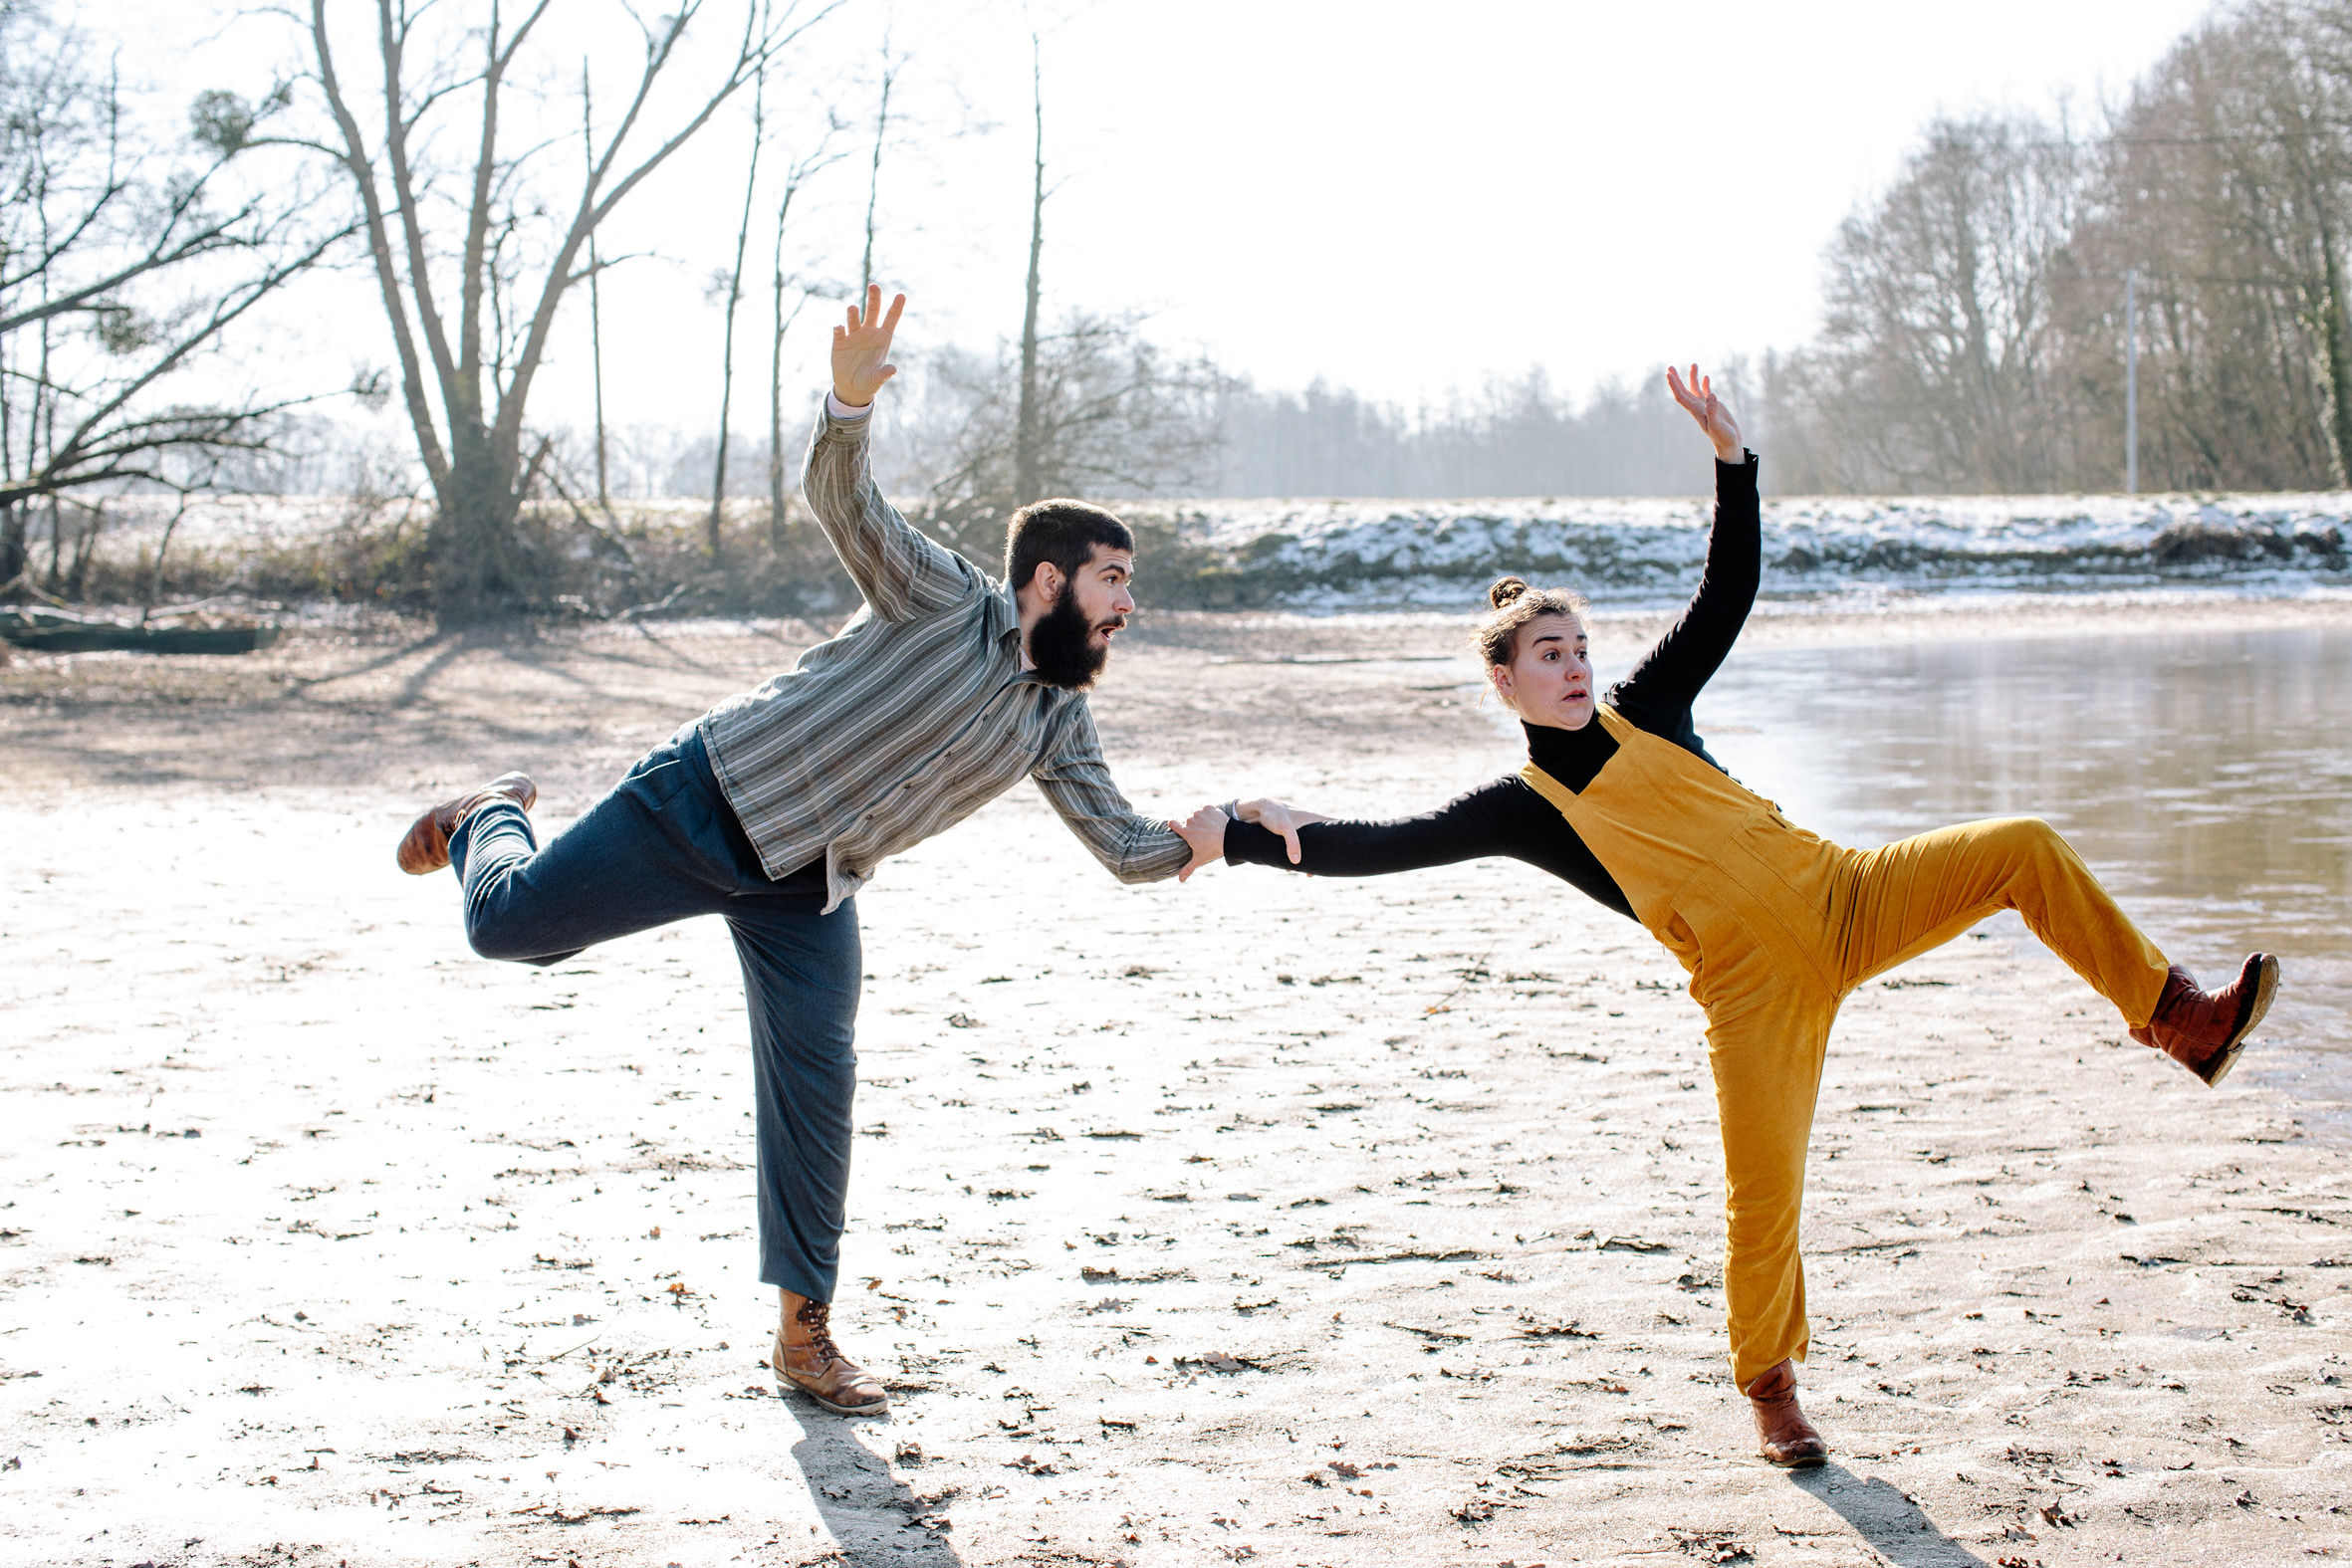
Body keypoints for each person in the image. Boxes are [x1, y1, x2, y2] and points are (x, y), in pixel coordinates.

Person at [1186, 364, 2280, 1466]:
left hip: (1848, 892)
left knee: (2024, 846)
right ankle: (1770, 1387)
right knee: (1764, 1198)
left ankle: (2174, 1015)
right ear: (1504, 684)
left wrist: (1730, 459)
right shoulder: (1523, 810)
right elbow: (1382, 847)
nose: (1570, 668)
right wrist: (1235, 832)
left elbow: (1727, 593)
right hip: (1755, 993)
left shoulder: (1648, 710)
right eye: (1545, 657)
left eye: (1577, 651)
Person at [394, 287, 1229, 1417]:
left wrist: (1208, 840)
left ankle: (804, 1334)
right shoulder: (942, 598)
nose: (1131, 605)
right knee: (506, 930)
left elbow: (1123, 846)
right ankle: (490, 812)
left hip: (810, 889)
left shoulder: (1054, 722)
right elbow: (845, 501)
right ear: (1048, 580)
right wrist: (846, 403)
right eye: (1115, 579)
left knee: (815, 1087)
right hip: (701, 802)